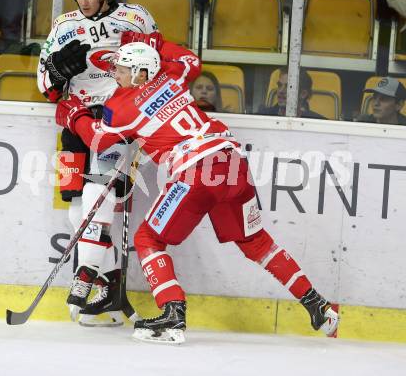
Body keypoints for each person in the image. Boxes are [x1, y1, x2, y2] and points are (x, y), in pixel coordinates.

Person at [54, 37, 340, 344]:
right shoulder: (171, 77)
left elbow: (98, 140)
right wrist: (156, 42)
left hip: (196, 171)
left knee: (148, 239)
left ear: (139, 73)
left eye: (122, 69)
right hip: (232, 165)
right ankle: (318, 306)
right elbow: (191, 61)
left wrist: (71, 113)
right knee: (255, 241)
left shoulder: (122, 106)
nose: (115, 74)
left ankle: (172, 316)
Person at [36, 0, 160, 325]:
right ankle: (111, 284)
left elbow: (155, 66)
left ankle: (90, 278)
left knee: (101, 205)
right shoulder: (63, 25)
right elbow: (45, 84)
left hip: (116, 123)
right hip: (75, 123)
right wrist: (59, 70)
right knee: (77, 207)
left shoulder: (136, 18)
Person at [258, 68, 326, 119]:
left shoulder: (318, 123)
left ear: (303, 94)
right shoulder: (262, 116)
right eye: (279, 85)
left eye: (289, 87)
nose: (281, 91)